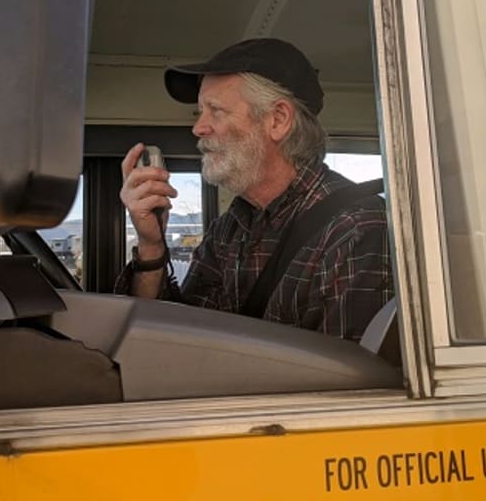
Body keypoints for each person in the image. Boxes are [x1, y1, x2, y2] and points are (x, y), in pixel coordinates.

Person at [115, 38, 393, 341]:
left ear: (278, 120)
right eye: (200, 113)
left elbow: (348, 371)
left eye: (215, 110)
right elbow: (178, 337)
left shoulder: (356, 229)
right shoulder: (228, 230)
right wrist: (151, 245)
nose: (198, 128)